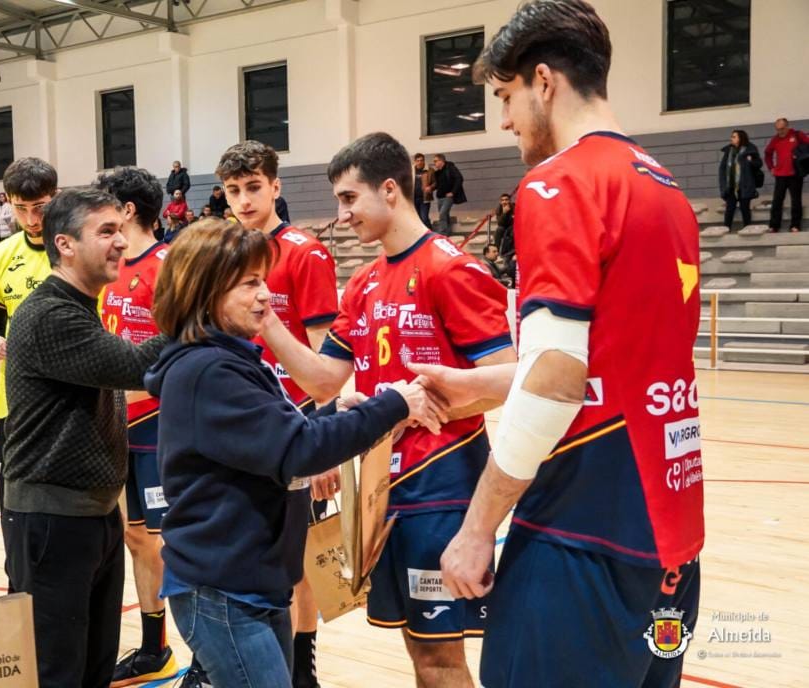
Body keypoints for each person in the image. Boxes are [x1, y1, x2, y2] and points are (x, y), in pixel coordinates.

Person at [411, 2, 704, 686]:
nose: (505, 120)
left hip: (580, 534)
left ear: (544, 81)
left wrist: (478, 527)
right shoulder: (666, 190)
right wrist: (482, 386)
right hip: (668, 538)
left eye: (506, 97)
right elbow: (615, 364)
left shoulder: (559, 182)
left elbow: (557, 376)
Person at [261, 132, 515, 688]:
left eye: (350, 199)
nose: (341, 214)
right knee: (418, 654)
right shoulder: (366, 282)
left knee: (440, 659)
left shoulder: (451, 270)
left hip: (441, 488)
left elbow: (509, 380)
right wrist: (266, 320)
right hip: (382, 488)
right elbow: (326, 379)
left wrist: (421, 406)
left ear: (392, 190)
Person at [145, 219, 442, 688]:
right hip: (223, 590)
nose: (265, 295)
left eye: (262, 279)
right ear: (206, 292)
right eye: (249, 283)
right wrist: (394, 404)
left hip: (250, 582)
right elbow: (298, 450)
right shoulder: (209, 371)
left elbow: (278, 438)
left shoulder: (229, 360)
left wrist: (338, 411)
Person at [1, 187, 168, 688]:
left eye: (122, 228)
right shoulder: (52, 313)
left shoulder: (81, 305)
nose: (122, 242)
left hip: (91, 513)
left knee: (93, 668)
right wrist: (196, 304)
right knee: (58, 671)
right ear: (65, 244)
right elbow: (138, 367)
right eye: (107, 232)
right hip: (53, 519)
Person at [217, 139, 340, 688]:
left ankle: (301, 664)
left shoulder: (306, 253)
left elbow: (325, 361)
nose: (243, 200)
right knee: (244, 544)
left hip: (295, 428)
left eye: (253, 188)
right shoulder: (224, 254)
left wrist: (327, 440)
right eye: (233, 190)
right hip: (239, 426)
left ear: (276, 186)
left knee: (299, 558)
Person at [92, 167, 180, 686]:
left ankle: (195, 650)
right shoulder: (110, 267)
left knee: (169, 542)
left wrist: (114, 390)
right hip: (116, 424)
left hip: (159, 427)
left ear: (127, 211)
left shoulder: (166, 267)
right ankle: (155, 647)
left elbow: (182, 355)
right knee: (134, 537)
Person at [0, 157, 56, 513]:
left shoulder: (81, 250)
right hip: (12, 404)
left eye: (40, 207)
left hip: (68, 405)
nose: (31, 219)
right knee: (12, 507)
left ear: (56, 197)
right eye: (20, 208)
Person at [764, 117, 809, 232]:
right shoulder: (775, 139)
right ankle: (774, 226)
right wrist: (771, 168)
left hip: (795, 174)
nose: (780, 132)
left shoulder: (797, 135)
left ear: (787, 126)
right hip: (780, 175)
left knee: (796, 201)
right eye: (778, 129)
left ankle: (795, 225)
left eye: (782, 129)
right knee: (777, 201)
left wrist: (801, 158)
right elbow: (767, 154)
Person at [718, 129, 762, 231]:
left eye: (734, 137)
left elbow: (759, 164)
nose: (731, 139)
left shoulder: (750, 149)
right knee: (729, 210)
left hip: (745, 185)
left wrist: (751, 161)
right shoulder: (729, 151)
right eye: (732, 137)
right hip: (731, 186)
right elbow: (722, 168)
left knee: (745, 209)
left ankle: (748, 230)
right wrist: (723, 185)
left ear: (740, 138)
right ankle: (726, 229)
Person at [432, 153, 466, 234]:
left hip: (448, 197)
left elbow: (459, 178)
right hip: (440, 197)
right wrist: (431, 188)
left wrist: (453, 192)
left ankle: (443, 233)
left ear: (441, 161)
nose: (434, 163)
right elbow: (438, 184)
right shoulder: (437, 173)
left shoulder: (450, 168)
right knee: (445, 215)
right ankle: (448, 232)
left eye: (435, 161)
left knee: (442, 214)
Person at [413, 153, 436, 229]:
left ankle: (431, 233)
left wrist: (430, 187)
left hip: (425, 198)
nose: (420, 162)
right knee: (418, 219)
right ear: (415, 161)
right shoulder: (410, 171)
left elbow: (435, 183)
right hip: (413, 199)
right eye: (418, 160)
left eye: (421, 160)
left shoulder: (430, 170)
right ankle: (423, 235)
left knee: (424, 218)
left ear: (424, 161)